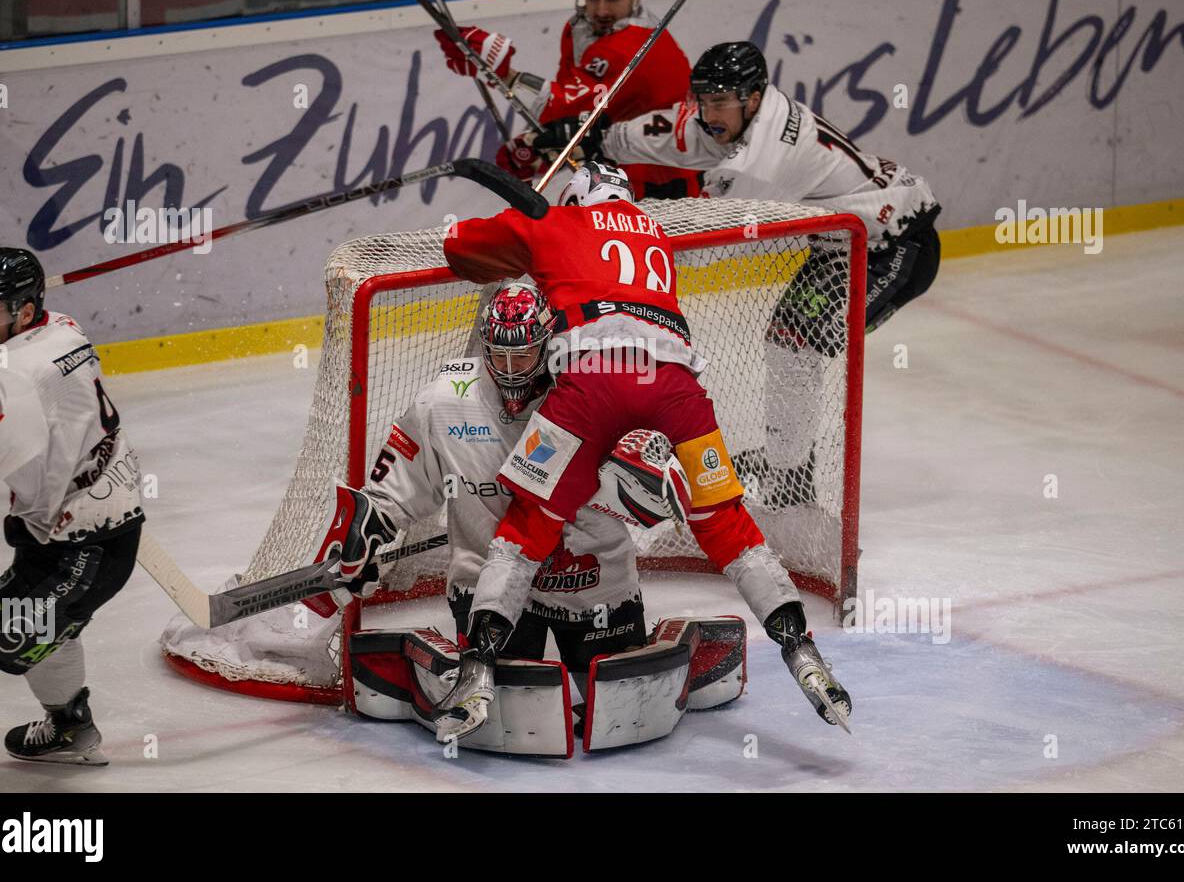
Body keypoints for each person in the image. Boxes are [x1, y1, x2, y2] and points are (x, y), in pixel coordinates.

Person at [422, 162, 851, 741]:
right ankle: (801, 651)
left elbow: (461, 249)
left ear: (578, 197)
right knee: (726, 523)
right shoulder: (654, 235)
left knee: (527, 528)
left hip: (591, 385)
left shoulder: (558, 221)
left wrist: (525, 222)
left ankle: (478, 667)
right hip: (676, 387)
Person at [535, 41, 943, 507]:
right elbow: (666, 131)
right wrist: (595, 137)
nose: (709, 112)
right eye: (703, 99)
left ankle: (791, 482)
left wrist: (611, 232)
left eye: (720, 102)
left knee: (794, 345)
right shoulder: (733, 115)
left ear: (752, 99)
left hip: (896, 247)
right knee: (788, 342)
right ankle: (789, 464)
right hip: (848, 243)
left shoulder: (765, 161)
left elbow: (703, 245)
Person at [317, 283, 692, 693]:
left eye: (524, 354)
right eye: (500, 355)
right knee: (507, 692)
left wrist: (649, 474)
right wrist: (368, 530)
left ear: (549, 346)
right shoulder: (444, 402)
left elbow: (653, 495)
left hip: (593, 582)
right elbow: (392, 489)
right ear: (484, 348)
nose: (511, 369)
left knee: (616, 691)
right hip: (486, 584)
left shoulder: (592, 390)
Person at [0, 249, 144, 779]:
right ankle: (69, 728)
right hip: (89, 525)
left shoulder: (9, 378)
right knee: (55, 624)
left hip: (81, 548)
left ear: (26, 312)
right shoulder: (64, 329)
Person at [433, 0, 699, 200]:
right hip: (615, 174)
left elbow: (559, 108)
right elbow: (581, 120)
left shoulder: (633, 45)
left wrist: (501, 72)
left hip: (667, 189)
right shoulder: (581, 30)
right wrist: (542, 150)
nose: (601, 10)